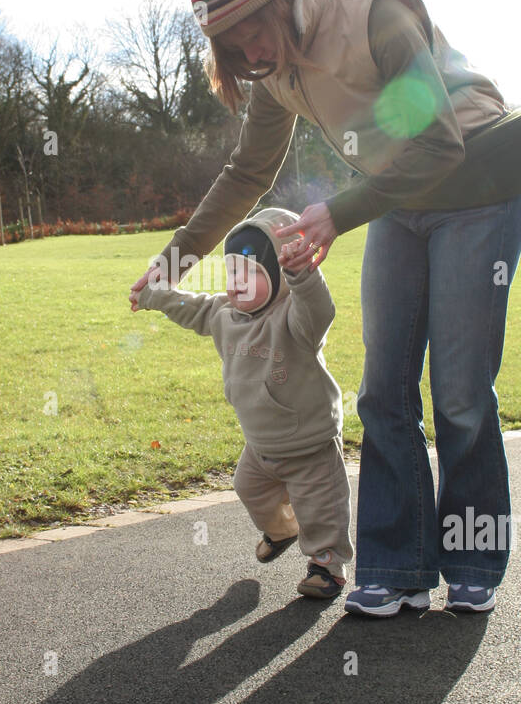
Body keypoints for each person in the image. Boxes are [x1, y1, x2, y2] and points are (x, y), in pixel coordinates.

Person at [130, 0, 521, 617]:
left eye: (253, 29)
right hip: (400, 202)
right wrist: (172, 261)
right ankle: (395, 564)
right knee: (382, 388)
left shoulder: (376, 18)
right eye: (231, 43)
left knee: (458, 393)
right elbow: (246, 173)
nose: (250, 50)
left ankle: (472, 559)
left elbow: (439, 141)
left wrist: (339, 211)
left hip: (477, 187)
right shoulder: (275, 75)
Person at [131, 207, 354, 599]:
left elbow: (321, 310)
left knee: (321, 510)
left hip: (310, 443)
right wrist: (155, 295)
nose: (237, 284)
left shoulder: (295, 319)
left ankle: (327, 567)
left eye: (250, 274)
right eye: (232, 272)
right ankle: (282, 529)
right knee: (248, 488)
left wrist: (302, 274)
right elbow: (192, 306)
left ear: (278, 274)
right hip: (261, 444)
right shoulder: (224, 314)